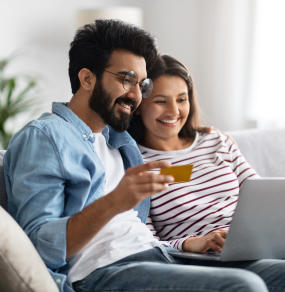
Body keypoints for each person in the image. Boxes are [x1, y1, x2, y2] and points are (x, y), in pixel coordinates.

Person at [3, 20, 285, 292]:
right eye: (127, 80)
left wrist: (188, 244)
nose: (136, 96)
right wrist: (115, 201)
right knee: (244, 286)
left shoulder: (121, 143)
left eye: (142, 84)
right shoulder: (45, 136)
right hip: (101, 272)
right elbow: (40, 245)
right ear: (87, 78)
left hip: (159, 256)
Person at [128, 54, 285, 289]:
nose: (174, 111)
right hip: (201, 261)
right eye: (161, 101)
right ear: (139, 105)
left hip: (253, 247)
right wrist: (191, 243)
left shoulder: (216, 141)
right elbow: (146, 243)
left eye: (181, 99)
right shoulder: (136, 162)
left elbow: (263, 197)